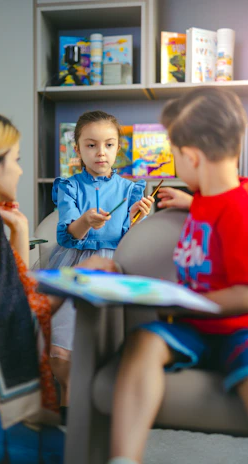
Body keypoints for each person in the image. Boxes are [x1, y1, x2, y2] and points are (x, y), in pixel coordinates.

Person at [0, 112, 117, 464]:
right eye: (16, 160)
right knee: (76, 453)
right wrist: (78, 281)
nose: (20, 170)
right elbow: (2, 318)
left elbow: (13, 290)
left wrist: (20, 230)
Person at [107, 87, 248, 464]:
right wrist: (190, 200)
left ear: (191, 157)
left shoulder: (239, 210)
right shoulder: (207, 198)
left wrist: (187, 301)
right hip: (194, 327)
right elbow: (218, 194)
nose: (174, 164)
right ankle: (124, 459)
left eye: (174, 156)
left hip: (240, 328)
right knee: (142, 344)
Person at [49, 110, 155, 416]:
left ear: (118, 147)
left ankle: (109, 401)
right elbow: (68, 236)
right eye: (91, 145)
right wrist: (84, 221)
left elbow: (128, 240)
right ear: (78, 149)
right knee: (66, 329)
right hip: (76, 263)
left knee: (112, 331)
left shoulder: (130, 189)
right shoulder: (69, 187)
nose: (100, 153)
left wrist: (138, 219)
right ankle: (68, 401)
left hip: (114, 265)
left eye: (108, 145)